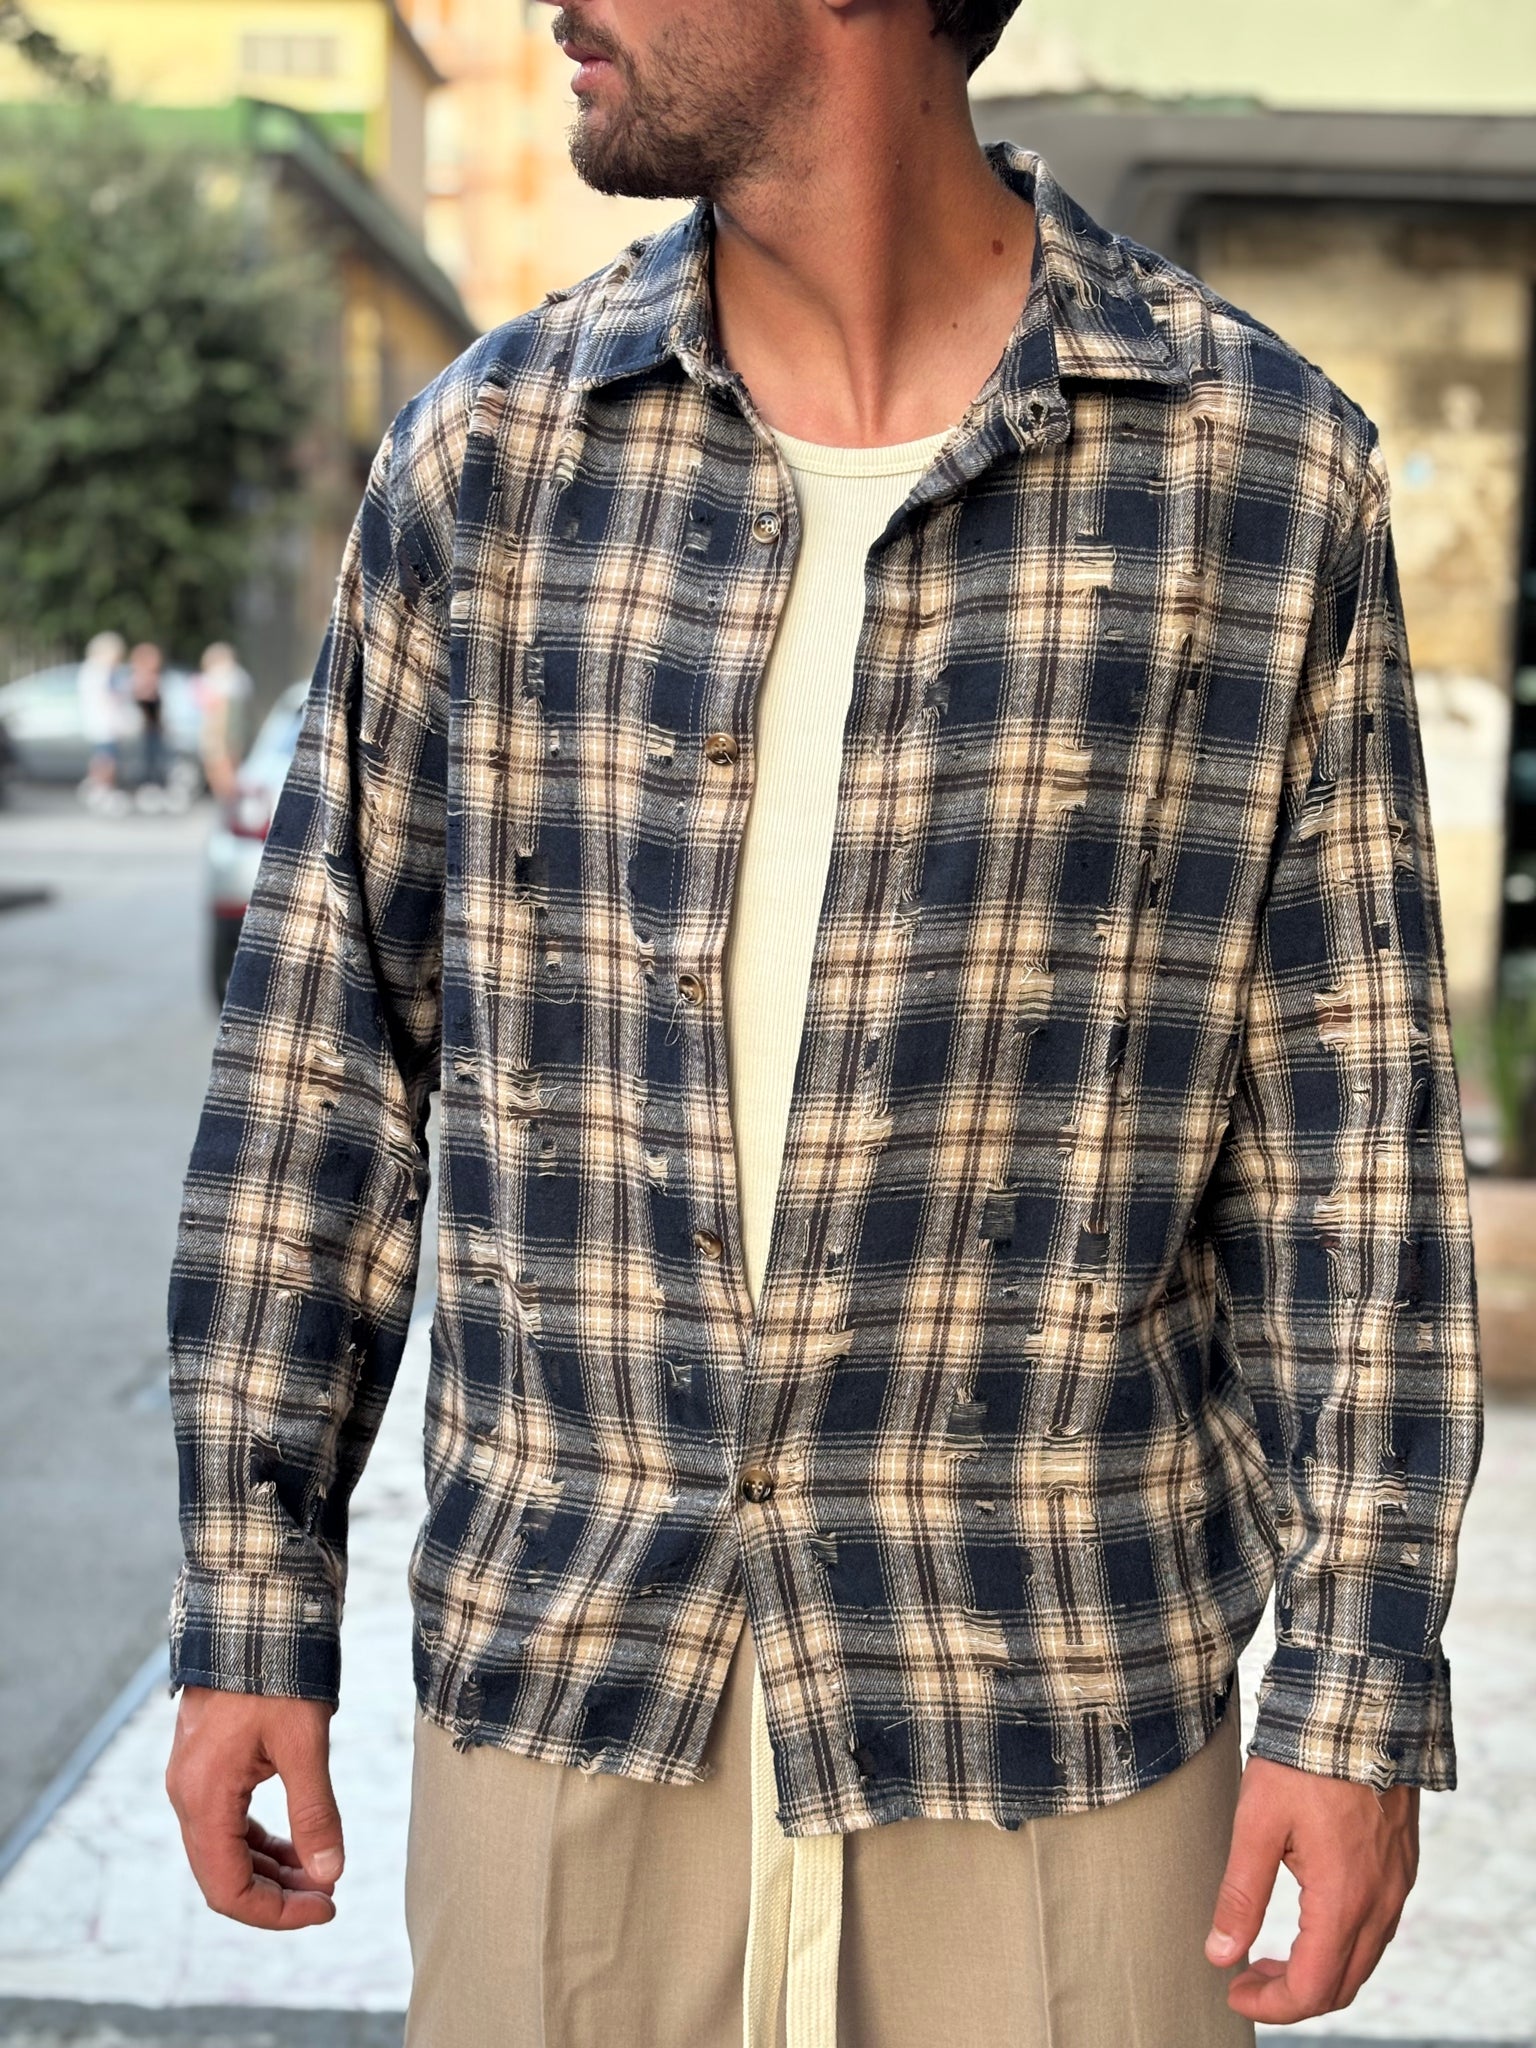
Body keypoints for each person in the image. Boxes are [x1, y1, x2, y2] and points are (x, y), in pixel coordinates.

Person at [162, 2, 1483, 2044]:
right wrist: (254, 1605)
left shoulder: (1256, 472)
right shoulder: (489, 460)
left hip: (1064, 1716)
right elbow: (318, 1073)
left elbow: (1352, 1137)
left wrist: (1359, 1682)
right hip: (571, 1697)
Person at [192, 642, 254, 804]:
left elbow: (221, 712)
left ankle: (229, 804)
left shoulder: (222, 678)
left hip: (219, 731)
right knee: (229, 768)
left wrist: (218, 737)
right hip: (232, 731)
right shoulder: (239, 678)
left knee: (221, 769)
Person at [75, 631, 129, 813]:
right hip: (105, 725)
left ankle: (98, 788)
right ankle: (101, 790)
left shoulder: (95, 670)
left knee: (103, 758)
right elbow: (108, 698)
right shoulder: (98, 671)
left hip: (106, 724)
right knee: (106, 760)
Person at [126, 640, 167, 801]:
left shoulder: (155, 678)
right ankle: (145, 788)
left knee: (155, 760)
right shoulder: (138, 679)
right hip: (143, 730)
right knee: (145, 761)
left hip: (154, 729)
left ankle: (153, 787)